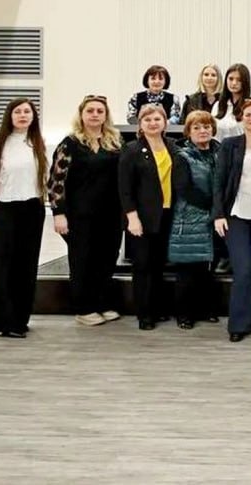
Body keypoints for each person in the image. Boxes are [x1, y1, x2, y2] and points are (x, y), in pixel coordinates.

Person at [47, 95, 123, 327]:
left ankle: (102, 303)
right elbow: (56, 181)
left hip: (110, 214)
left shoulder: (115, 142)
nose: (95, 115)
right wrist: (58, 213)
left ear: (106, 115)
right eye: (90, 110)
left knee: (106, 259)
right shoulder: (70, 143)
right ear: (81, 114)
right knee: (83, 261)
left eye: (100, 111)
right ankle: (84, 308)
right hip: (79, 215)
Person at [0, 98, 49, 339]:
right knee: (1, 266)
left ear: (33, 117)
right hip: (3, 210)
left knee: (26, 265)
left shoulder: (37, 142)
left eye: (27, 111)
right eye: (18, 111)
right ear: (9, 116)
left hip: (32, 210)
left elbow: (45, 179)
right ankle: (5, 322)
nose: (23, 115)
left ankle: (20, 319)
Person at [119, 103, 191, 331]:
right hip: (141, 217)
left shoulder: (173, 146)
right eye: (147, 120)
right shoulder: (131, 150)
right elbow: (125, 188)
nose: (153, 123)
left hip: (168, 214)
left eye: (157, 119)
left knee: (159, 265)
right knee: (143, 266)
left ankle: (158, 309)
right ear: (140, 124)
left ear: (165, 123)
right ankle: (144, 314)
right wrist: (132, 218)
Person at [212, 99, 251, 342]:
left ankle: (250, 319)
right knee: (243, 268)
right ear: (241, 118)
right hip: (235, 215)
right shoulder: (230, 145)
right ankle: (237, 325)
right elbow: (219, 182)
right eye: (247, 114)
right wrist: (219, 214)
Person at [169, 110, 220, 329]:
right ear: (188, 131)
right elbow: (184, 188)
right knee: (187, 271)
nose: (202, 131)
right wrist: (214, 205)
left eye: (206, 126)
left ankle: (204, 309)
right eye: (197, 127)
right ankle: (184, 314)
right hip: (190, 219)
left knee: (207, 270)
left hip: (215, 219)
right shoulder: (183, 156)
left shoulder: (220, 151)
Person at [214, 62, 250, 140]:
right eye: (231, 79)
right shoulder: (217, 105)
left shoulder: (250, 105)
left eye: (239, 80)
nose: (234, 83)